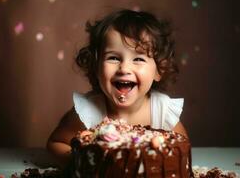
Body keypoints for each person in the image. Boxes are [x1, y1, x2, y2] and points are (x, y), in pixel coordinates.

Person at [47, 9, 188, 166]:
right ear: (96, 67)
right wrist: (83, 162)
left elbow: (182, 154)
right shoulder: (89, 111)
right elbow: (55, 143)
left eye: (139, 59)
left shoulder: (162, 111)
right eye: (113, 58)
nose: (124, 68)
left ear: (159, 70)